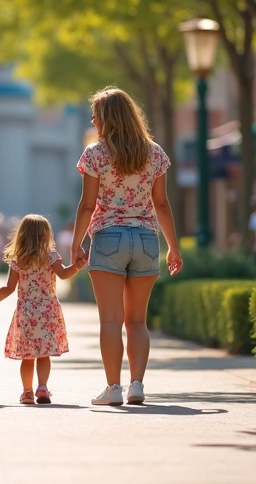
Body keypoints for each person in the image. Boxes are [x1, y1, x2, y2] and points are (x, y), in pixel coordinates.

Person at [70, 87, 183, 407]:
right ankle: (137, 385)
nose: (92, 119)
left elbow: (87, 205)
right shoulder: (155, 153)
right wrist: (173, 247)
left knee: (110, 320)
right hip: (147, 239)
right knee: (137, 321)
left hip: (108, 238)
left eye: (96, 114)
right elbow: (161, 204)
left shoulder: (95, 154)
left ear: (108, 118)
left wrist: (76, 245)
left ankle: (113, 388)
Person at [0, 214, 84, 405]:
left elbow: (9, 288)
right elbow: (64, 274)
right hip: (47, 310)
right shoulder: (51, 256)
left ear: (22, 235)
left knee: (28, 356)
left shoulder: (19, 259)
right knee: (44, 353)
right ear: (46, 235)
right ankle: (42, 387)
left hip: (26, 313)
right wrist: (77, 266)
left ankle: (27, 392)